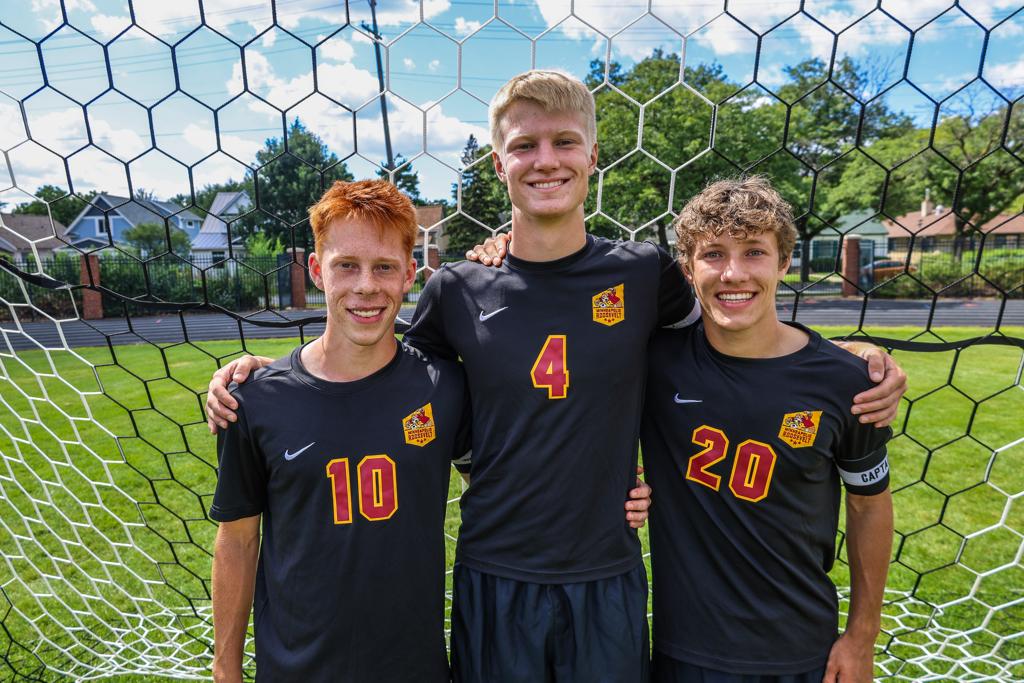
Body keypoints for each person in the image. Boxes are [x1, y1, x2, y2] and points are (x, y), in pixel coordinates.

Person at [207, 71, 903, 682]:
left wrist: (839, 356)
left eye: (565, 141)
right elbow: (370, 358)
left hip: (607, 575)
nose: (547, 160)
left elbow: (735, 328)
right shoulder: (458, 286)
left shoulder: (644, 273)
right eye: (525, 146)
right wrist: (269, 375)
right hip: (494, 575)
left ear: (594, 154)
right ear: (497, 161)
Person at [210, 180, 473, 682]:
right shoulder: (254, 399)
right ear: (316, 270)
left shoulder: (444, 385)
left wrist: (614, 489)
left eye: (384, 267)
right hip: (295, 667)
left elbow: (498, 477)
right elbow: (238, 540)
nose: (366, 286)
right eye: (346, 265)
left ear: (410, 275)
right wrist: (226, 671)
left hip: (412, 667)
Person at [640, 176, 893, 682]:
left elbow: (869, 505)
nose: (733, 274)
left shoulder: (847, 382)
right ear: (688, 269)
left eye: (754, 252)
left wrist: (862, 636)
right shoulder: (654, 363)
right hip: (684, 653)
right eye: (713, 254)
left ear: (783, 263)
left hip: (803, 653)